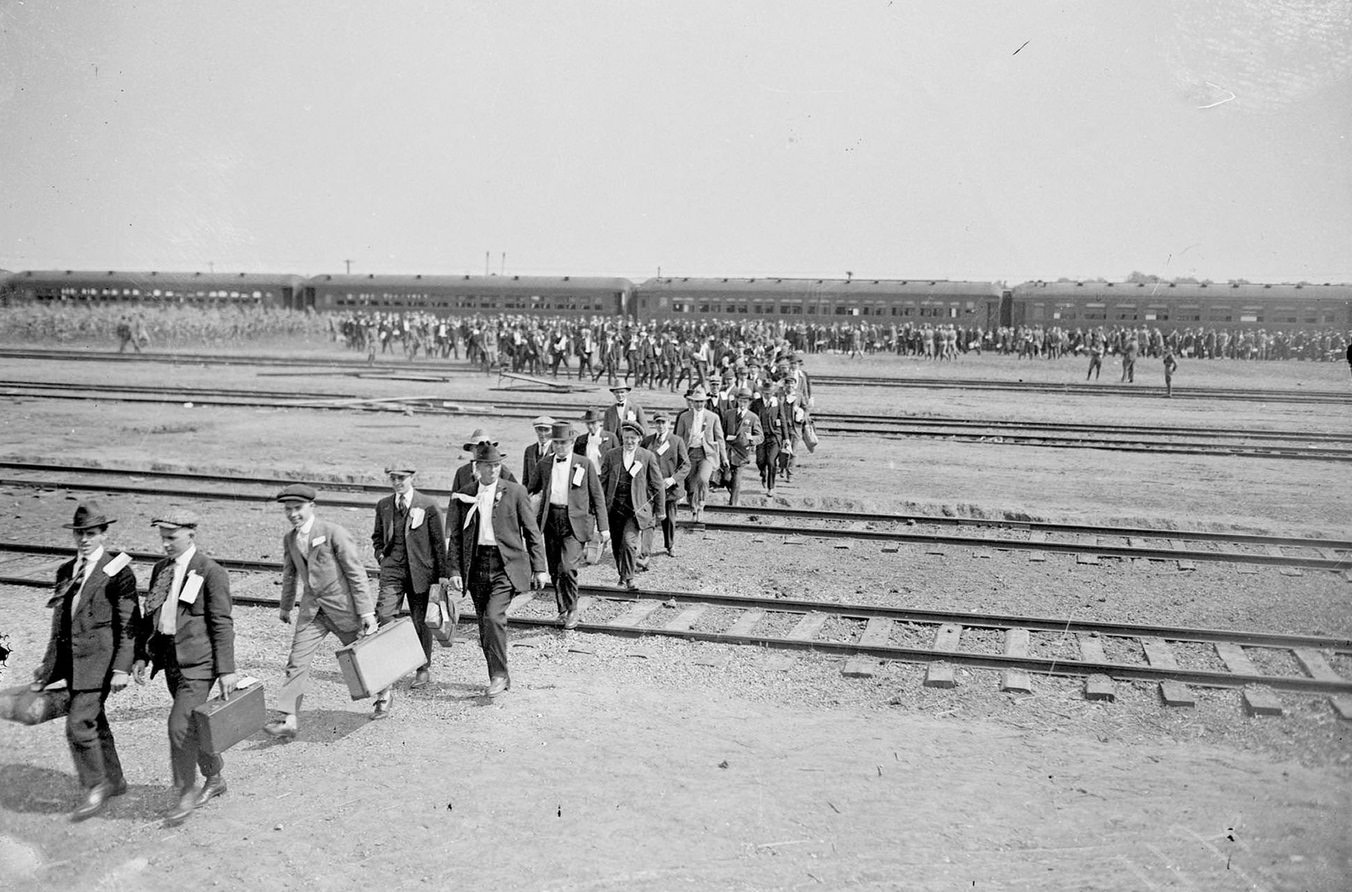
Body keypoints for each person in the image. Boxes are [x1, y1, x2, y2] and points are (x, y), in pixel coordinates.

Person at [30, 501, 138, 821]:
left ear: (104, 533)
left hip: (101, 664)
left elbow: (130, 624)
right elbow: (59, 626)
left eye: (91, 533)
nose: (84, 540)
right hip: (72, 664)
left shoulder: (117, 569)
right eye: (80, 534)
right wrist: (46, 671)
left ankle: (96, 786)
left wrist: (122, 668)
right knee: (95, 722)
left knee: (78, 725)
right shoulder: (66, 570)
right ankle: (115, 780)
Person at [132, 510, 236, 825]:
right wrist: (142, 656)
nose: (165, 544)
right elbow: (151, 615)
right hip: (170, 662)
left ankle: (184, 794)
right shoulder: (160, 570)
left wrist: (227, 669)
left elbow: (222, 622)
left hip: (200, 665)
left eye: (171, 537)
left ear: (191, 533)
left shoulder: (210, 572)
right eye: (162, 537)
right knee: (195, 726)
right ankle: (215, 777)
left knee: (179, 725)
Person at [265, 485, 378, 740]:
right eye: (288, 509)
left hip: (343, 610)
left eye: (298, 508)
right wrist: (285, 605)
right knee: (297, 662)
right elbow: (290, 574)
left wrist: (366, 612)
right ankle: (289, 718)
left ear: (311, 507)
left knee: (364, 658)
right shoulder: (290, 539)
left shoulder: (333, 533)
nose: (293, 514)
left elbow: (355, 573)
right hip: (312, 613)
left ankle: (384, 693)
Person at [445, 443, 549, 697]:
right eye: (487, 466)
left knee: (493, 617)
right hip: (476, 566)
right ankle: (499, 675)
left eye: (496, 465)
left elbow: (532, 532)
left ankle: (499, 676)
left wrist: (540, 567)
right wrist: (454, 571)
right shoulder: (465, 494)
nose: (492, 470)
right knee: (484, 626)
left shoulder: (515, 492)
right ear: (477, 467)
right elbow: (456, 537)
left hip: (505, 566)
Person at [371, 464, 446, 699]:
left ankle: (422, 668)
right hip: (393, 569)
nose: (397, 482)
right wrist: (381, 555)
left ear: (412, 477)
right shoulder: (384, 505)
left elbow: (438, 543)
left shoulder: (428, 504)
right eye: (393, 478)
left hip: (421, 571)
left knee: (420, 620)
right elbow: (377, 536)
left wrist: (442, 574)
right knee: (385, 615)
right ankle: (392, 666)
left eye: (401, 478)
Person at [530, 421, 609, 628]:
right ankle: (562, 610)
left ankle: (573, 610)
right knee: (555, 570)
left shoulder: (585, 464)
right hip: (551, 521)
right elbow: (530, 490)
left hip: (575, 523)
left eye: (563, 443)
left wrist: (604, 527)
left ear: (572, 442)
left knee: (567, 568)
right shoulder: (544, 465)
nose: (559, 447)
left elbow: (597, 497)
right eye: (556, 443)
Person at [600, 421, 665, 591]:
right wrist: (596, 508)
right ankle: (622, 575)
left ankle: (629, 579)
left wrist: (660, 510)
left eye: (633, 438)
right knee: (616, 546)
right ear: (622, 438)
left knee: (629, 543)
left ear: (639, 439)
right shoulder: (611, 455)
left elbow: (658, 485)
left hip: (634, 510)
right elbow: (603, 483)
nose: (629, 441)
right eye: (626, 438)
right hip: (614, 508)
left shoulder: (647, 456)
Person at [673, 385, 725, 523]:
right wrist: (676, 456)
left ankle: (701, 505)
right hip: (689, 453)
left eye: (701, 401)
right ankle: (693, 509)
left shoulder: (712, 417)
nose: (699, 404)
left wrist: (724, 457)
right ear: (692, 402)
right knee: (690, 484)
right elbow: (678, 438)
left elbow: (720, 438)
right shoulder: (684, 417)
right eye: (696, 401)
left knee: (703, 479)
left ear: (705, 402)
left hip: (706, 454)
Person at [640, 412, 690, 557]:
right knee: (648, 519)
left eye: (663, 423)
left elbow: (686, 465)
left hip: (670, 488)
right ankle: (645, 551)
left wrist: (673, 479)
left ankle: (670, 545)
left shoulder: (676, 441)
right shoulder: (648, 441)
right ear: (654, 424)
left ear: (669, 424)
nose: (660, 426)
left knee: (669, 519)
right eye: (658, 423)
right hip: (651, 488)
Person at [720, 386, 764, 506]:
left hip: (742, 453)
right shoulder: (728, 414)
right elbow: (721, 433)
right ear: (737, 401)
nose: (742, 404)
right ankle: (732, 491)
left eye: (745, 401)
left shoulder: (753, 417)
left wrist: (751, 439)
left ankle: (733, 504)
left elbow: (760, 436)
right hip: (728, 452)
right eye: (740, 401)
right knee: (726, 478)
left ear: (749, 403)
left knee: (737, 480)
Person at [522, 415, 556, 492]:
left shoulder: (556, 450)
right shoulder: (529, 450)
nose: (543, 434)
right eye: (540, 429)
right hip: (532, 495)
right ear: (536, 430)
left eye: (546, 430)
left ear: (552, 431)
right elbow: (525, 478)